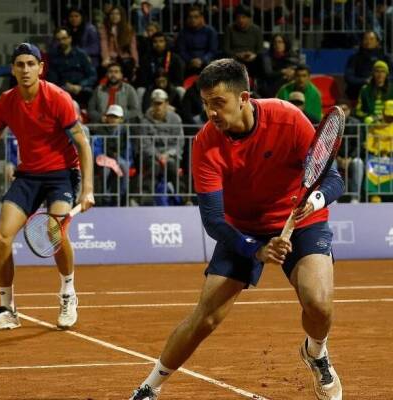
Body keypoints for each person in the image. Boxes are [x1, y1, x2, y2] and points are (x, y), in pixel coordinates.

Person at [129, 59, 344, 400]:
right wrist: (255, 249)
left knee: (319, 304)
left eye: (218, 103)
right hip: (241, 227)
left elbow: (333, 179)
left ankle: (316, 352)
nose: (211, 112)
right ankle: (149, 386)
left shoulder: (287, 118)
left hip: (301, 219)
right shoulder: (205, 144)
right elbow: (214, 221)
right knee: (205, 319)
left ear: (243, 97)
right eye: (205, 104)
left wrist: (314, 201)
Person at [0, 43, 95, 331]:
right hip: (28, 176)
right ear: (13, 69)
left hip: (62, 174)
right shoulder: (6, 101)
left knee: (55, 232)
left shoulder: (57, 98)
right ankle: (7, 309)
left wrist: (87, 188)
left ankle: (68, 293)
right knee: (1, 238)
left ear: (40, 68)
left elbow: (82, 145)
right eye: (20, 64)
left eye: (30, 64)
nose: (25, 69)